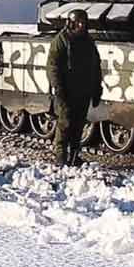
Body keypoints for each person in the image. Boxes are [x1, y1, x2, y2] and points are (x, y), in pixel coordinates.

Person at [46, 9, 103, 167]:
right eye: (78, 22)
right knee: (65, 124)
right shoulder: (61, 40)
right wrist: (58, 88)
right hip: (66, 90)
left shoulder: (88, 41)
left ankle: (74, 155)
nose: (81, 26)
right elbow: (53, 67)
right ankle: (60, 157)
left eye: (84, 23)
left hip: (83, 90)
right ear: (70, 23)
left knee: (78, 125)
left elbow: (95, 66)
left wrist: (97, 87)